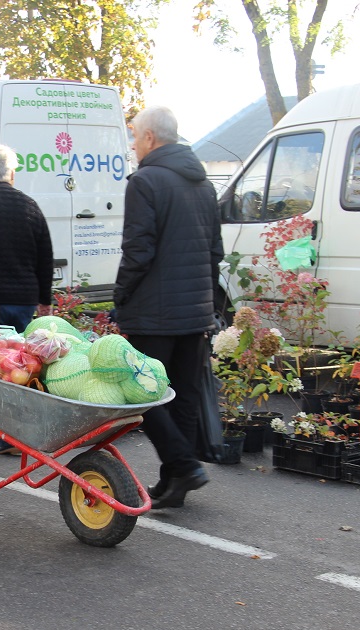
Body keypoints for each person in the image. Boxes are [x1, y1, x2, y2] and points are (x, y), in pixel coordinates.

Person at [113, 106, 223, 510]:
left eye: (135, 136)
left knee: (141, 394)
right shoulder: (204, 185)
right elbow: (215, 252)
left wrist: (120, 296)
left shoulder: (145, 182)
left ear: (149, 139)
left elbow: (137, 252)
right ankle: (174, 482)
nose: (134, 145)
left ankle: (183, 465)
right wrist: (206, 305)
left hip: (154, 314)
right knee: (183, 396)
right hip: (195, 313)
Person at [0, 145, 54, 453]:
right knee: (20, 365)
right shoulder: (30, 206)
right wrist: (44, 300)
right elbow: (45, 257)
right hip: (23, 299)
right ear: (12, 173)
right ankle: (12, 433)